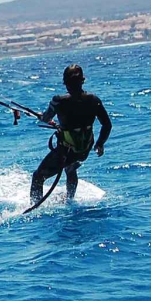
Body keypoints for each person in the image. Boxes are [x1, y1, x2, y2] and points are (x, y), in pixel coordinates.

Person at [31, 64, 111, 208]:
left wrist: (42, 117)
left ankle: (35, 207)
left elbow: (45, 117)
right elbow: (107, 125)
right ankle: (70, 200)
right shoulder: (94, 100)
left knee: (38, 177)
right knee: (71, 168)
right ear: (82, 81)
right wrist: (100, 144)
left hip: (66, 152)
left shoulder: (58, 101)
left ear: (65, 83)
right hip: (84, 149)